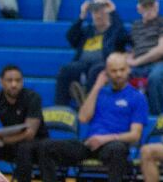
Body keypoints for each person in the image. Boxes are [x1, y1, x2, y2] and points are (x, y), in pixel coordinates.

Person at [38, 53, 148, 182]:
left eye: (122, 70)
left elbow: (135, 135)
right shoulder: (99, 92)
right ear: (106, 72)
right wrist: (97, 86)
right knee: (47, 146)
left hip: (113, 144)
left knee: (118, 150)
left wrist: (104, 139)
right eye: (113, 71)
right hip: (90, 143)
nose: (118, 74)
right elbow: (83, 118)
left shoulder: (137, 97)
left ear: (128, 69)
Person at [55, 0, 127, 107]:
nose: (98, 15)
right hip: (83, 64)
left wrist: (113, 11)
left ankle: (87, 103)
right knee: (65, 70)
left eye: (101, 11)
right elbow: (71, 37)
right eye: (95, 11)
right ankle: (60, 108)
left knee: (96, 70)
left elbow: (123, 37)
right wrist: (82, 16)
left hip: (104, 63)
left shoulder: (114, 30)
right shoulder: (87, 30)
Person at [0, 65, 48, 182]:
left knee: (24, 149)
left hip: (36, 143)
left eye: (18, 80)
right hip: (10, 142)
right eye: (9, 80)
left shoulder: (32, 98)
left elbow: (29, 134)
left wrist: (0, 140)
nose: (14, 84)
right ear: (1, 82)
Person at [126, 0, 163, 115]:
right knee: (116, 73)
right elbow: (131, 48)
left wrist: (137, 61)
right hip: (138, 65)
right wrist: (128, 58)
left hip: (161, 62)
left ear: (156, 6)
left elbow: (162, 49)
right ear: (139, 8)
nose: (149, 9)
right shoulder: (135, 25)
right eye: (145, 6)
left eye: (151, 5)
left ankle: (155, 116)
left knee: (156, 77)